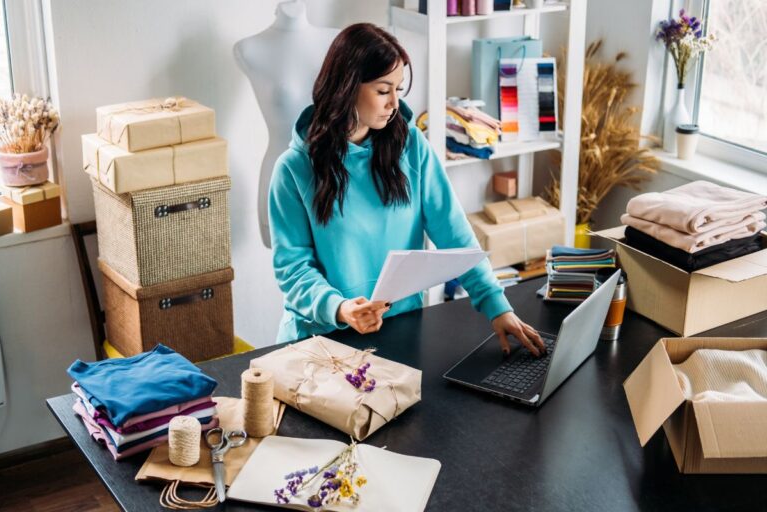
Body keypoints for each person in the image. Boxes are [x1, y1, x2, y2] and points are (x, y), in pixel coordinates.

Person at [269, 23, 546, 356]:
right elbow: (294, 270)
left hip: (400, 329)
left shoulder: (411, 146)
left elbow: (454, 235)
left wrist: (496, 306)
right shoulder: (293, 169)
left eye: (399, 89)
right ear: (346, 87)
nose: (394, 103)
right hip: (322, 339)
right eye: (384, 90)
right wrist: (341, 308)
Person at [233, 0, 338, 248]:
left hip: (334, 175)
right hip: (281, 175)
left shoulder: (336, 42)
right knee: (290, 268)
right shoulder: (249, 49)